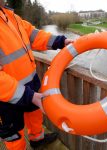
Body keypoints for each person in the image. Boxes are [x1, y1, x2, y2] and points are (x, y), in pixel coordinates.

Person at [0, 0, 73, 149]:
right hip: (7, 97)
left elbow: (34, 35)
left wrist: (61, 41)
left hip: (30, 84)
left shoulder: (10, 15)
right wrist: (29, 96)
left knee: (35, 116)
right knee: (15, 133)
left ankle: (37, 140)